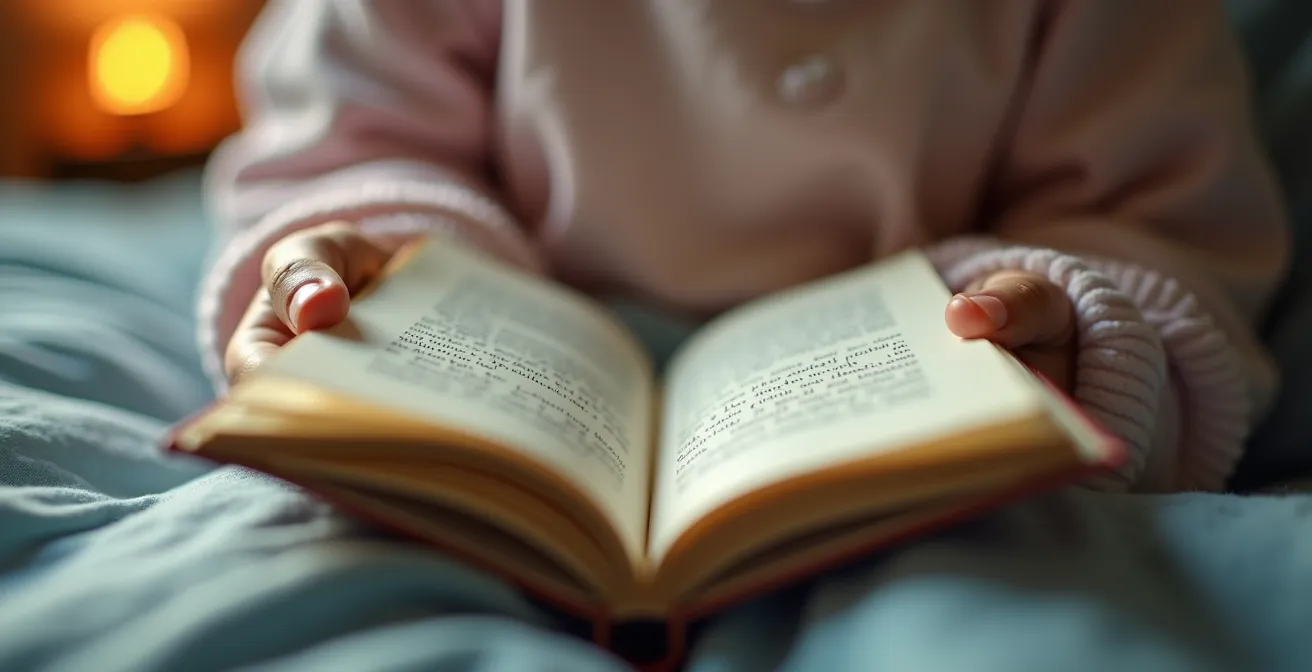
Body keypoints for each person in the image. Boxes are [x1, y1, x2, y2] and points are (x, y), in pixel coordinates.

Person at [202, 0, 1284, 598]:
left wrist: (1081, 340)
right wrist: (373, 270)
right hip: (530, 392)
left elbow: (1160, 222)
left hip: (935, 450)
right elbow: (348, 148)